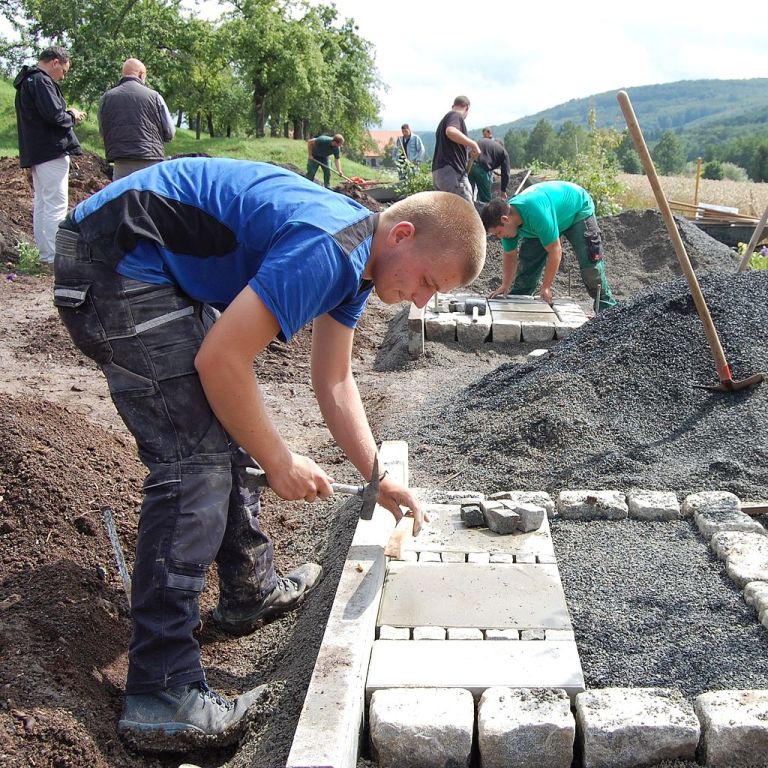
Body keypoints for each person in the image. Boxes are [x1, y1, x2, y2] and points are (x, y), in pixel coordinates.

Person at [52, 158, 486, 751]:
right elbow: (220, 360)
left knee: (227, 425)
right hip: (115, 260)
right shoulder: (331, 249)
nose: (422, 303)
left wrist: (377, 476)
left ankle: (247, 590)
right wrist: (279, 461)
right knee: (194, 461)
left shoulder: (360, 264)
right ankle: (160, 691)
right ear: (403, 235)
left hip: (148, 261)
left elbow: (333, 381)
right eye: (430, 283)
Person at [481, 180, 616, 312]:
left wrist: (546, 287)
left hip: (576, 210)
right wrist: (505, 285)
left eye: (498, 232)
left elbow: (555, 250)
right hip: (547, 219)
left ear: (505, 219)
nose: (499, 237)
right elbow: (510, 255)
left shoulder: (535, 213)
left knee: (591, 268)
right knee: (527, 267)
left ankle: (608, 311)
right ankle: (519, 306)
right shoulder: (509, 225)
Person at [14, 46, 86, 266]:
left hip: (36, 151)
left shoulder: (26, 81)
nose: (62, 76)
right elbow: (55, 117)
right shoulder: (43, 82)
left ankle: (46, 255)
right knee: (55, 204)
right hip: (51, 150)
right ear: (55, 62)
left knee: (43, 204)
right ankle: (55, 258)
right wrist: (72, 115)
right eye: (63, 70)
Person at [98, 57, 175, 180]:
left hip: (121, 163)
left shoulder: (106, 98)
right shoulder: (155, 97)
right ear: (141, 74)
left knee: (122, 198)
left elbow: (103, 131)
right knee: (149, 198)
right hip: (150, 162)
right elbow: (170, 132)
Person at [431, 95, 480, 203]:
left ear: (453, 105)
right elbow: (451, 131)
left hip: (440, 173)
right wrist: (473, 144)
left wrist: (470, 158)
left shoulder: (443, 122)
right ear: (467, 108)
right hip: (452, 174)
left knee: (447, 215)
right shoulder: (455, 115)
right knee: (467, 215)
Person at [469, 137, 510, 204]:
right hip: (481, 169)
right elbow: (505, 173)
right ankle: (484, 212)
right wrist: (503, 190)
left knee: (468, 194)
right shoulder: (503, 152)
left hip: (470, 164)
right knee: (485, 200)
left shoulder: (484, 140)